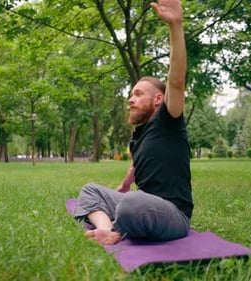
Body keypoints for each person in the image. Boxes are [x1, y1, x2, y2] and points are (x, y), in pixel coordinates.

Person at [73, 0, 192, 245]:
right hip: (141, 204)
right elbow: (136, 165)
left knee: (131, 203)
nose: (130, 99)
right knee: (90, 190)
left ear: (158, 99)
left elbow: (177, 80)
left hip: (172, 214)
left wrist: (176, 26)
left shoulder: (168, 120)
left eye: (138, 94)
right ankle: (108, 230)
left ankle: (119, 226)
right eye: (131, 94)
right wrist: (125, 184)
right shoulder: (139, 136)